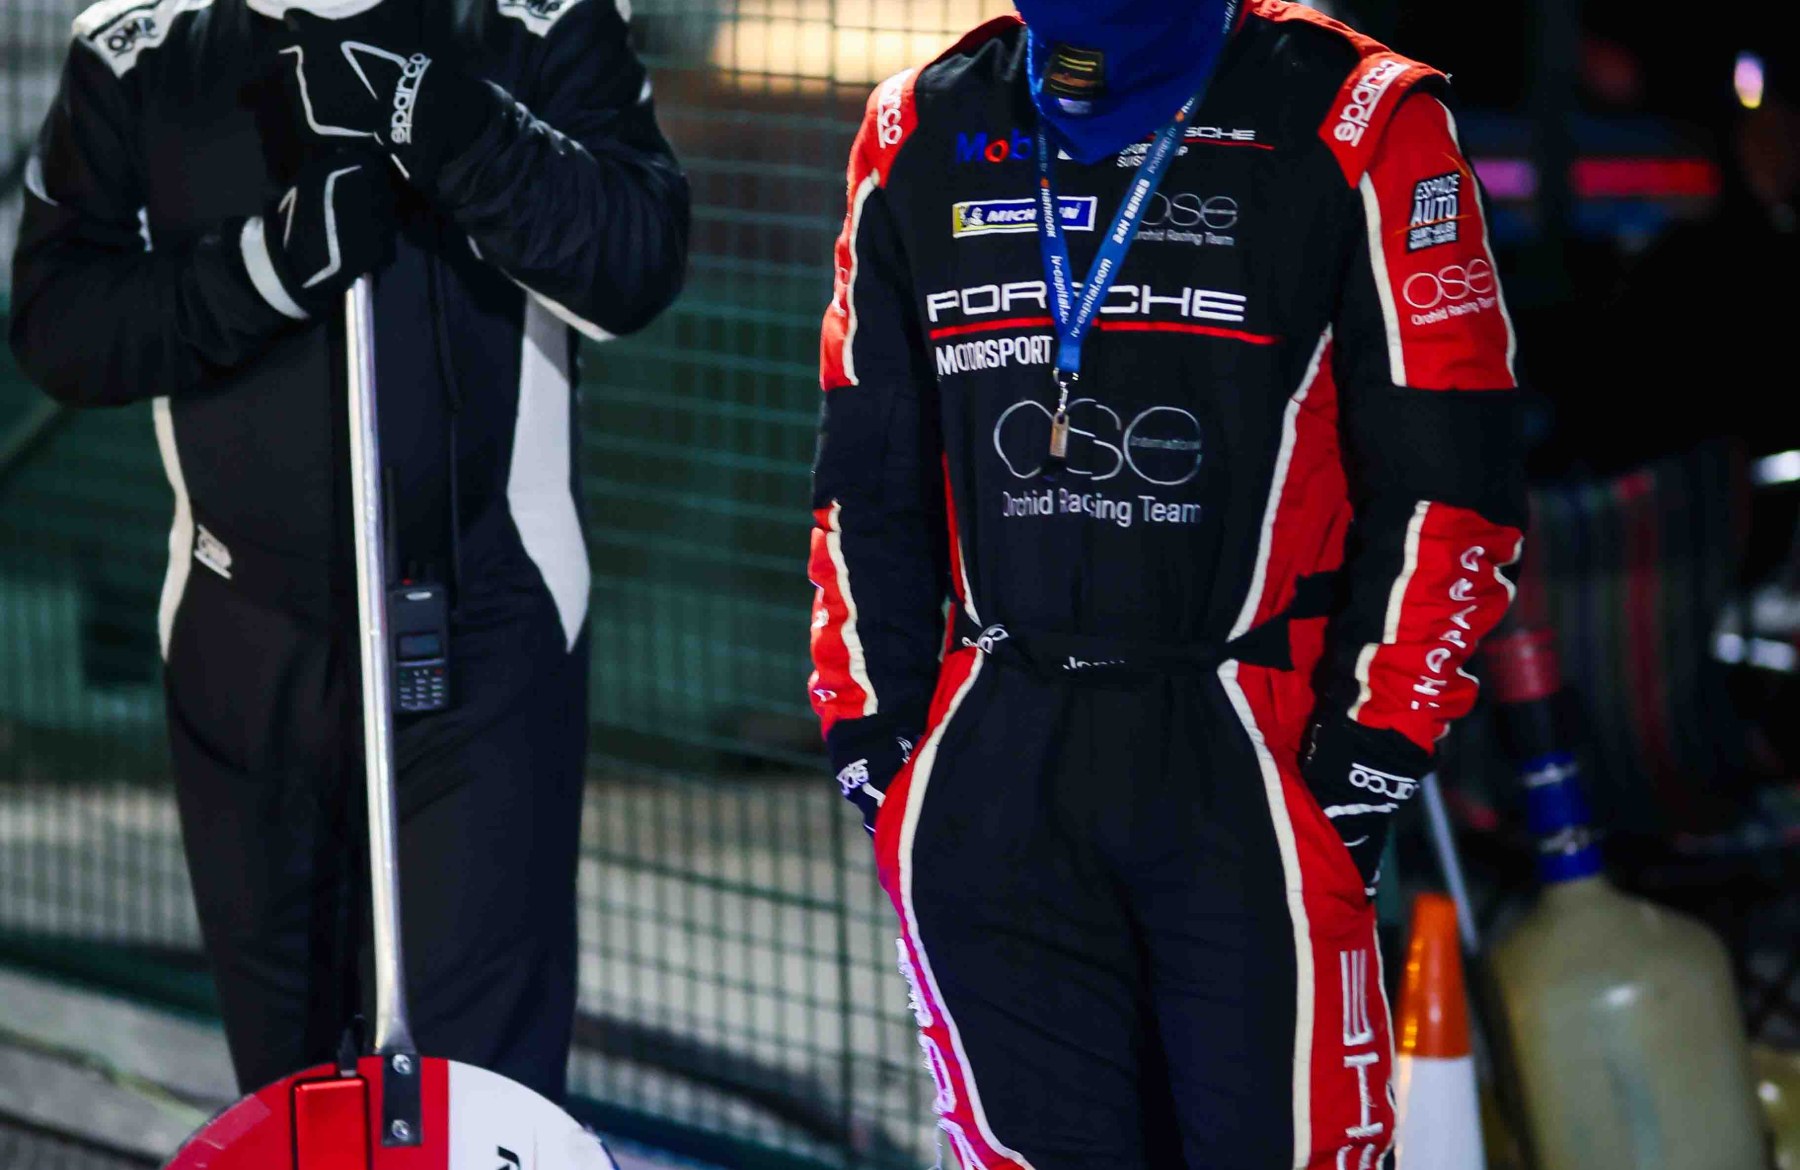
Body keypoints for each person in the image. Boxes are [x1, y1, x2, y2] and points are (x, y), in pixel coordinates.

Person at [805, 1, 1523, 1166]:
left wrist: (1367, 760)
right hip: (997, 760)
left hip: (1249, 760)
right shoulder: (917, 127)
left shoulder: (1359, 115)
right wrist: (877, 747)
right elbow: (863, 482)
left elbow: (1454, 483)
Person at [10, 0, 687, 1102]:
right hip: (241, 632)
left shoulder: (538, 20)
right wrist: (263, 270)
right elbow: (61, 324)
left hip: (485, 619)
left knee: (475, 1094)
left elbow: (634, 264)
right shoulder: (139, 48)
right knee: (292, 1085)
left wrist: (445, 120)